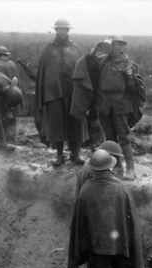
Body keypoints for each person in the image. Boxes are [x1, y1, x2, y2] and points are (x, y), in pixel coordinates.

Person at [67, 149, 145, 268]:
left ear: (93, 168)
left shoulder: (86, 190)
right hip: (120, 242)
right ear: (109, 167)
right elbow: (130, 220)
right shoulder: (121, 188)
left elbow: (80, 223)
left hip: (98, 246)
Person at [84, 35, 145, 180]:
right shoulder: (103, 61)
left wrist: (130, 76)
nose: (117, 47)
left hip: (121, 105)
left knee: (124, 137)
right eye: (113, 45)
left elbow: (134, 89)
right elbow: (89, 59)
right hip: (104, 104)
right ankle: (117, 167)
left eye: (119, 45)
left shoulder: (129, 64)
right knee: (110, 138)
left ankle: (130, 169)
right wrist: (100, 45)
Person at [36, 19, 88, 166]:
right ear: (55, 30)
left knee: (76, 123)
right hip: (55, 92)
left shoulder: (76, 48)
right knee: (57, 124)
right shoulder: (48, 49)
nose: (62, 32)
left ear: (68, 31)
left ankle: (75, 154)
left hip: (73, 92)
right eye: (60, 29)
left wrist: (83, 94)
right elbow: (43, 73)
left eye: (65, 29)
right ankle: (59, 155)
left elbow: (83, 71)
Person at [0, 45, 26, 144]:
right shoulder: (12, 65)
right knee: (11, 118)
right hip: (13, 96)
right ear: (6, 55)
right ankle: (11, 140)